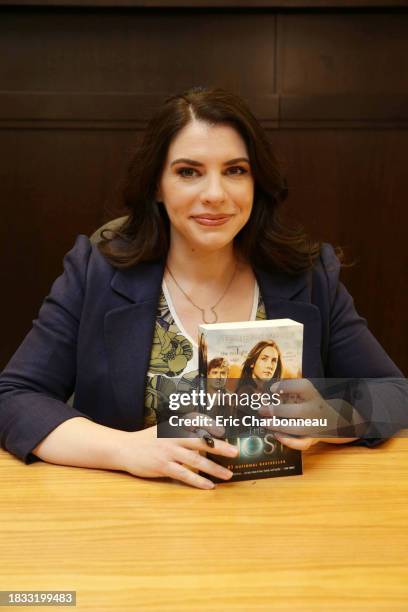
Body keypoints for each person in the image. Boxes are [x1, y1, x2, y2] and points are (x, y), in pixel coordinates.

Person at [0, 87, 406, 490]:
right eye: (188, 172)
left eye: (235, 170)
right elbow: (14, 396)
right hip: (130, 522)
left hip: (278, 517)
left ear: (256, 182)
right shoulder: (96, 273)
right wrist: (126, 449)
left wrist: (327, 415)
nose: (215, 195)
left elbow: (394, 395)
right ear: (156, 185)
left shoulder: (308, 275)